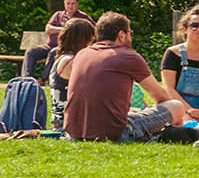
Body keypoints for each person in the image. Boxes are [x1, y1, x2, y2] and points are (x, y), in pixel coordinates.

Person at [62, 12, 190, 142]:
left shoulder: (82, 54)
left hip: (73, 134)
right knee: (176, 105)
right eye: (130, 33)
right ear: (121, 35)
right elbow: (161, 96)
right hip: (115, 134)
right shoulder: (128, 56)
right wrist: (176, 120)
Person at [25, 0, 94, 81]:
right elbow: (48, 29)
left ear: (77, 4)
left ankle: (42, 79)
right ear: (64, 4)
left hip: (66, 48)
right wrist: (64, 29)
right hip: (49, 46)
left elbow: (93, 30)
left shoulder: (83, 17)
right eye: (68, 3)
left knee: (53, 52)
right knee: (31, 52)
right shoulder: (58, 15)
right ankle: (26, 78)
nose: (70, 6)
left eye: (73, 3)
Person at [47, 17, 95, 130]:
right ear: (82, 40)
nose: (91, 44)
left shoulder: (63, 58)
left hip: (59, 123)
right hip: (68, 126)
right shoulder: (71, 62)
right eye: (91, 40)